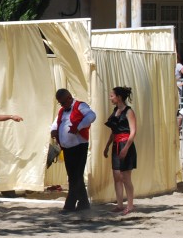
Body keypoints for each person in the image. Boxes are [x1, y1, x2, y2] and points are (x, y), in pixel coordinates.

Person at [51, 88, 97, 213]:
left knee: (75, 176)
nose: (62, 105)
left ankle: (69, 205)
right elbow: (55, 123)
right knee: (73, 175)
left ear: (69, 98)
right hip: (67, 148)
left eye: (63, 103)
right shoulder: (62, 111)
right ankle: (83, 203)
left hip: (79, 145)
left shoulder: (80, 106)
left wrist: (79, 126)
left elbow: (92, 116)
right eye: (60, 103)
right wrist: (53, 131)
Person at [103, 86, 137, 215]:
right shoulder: (115, 110)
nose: (110, 98)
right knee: (117, 176)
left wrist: (126, 148)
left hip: (125, 144)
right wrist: (107, 146)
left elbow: (133, 131)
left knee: (125, 177)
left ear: (119, 97)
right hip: (116, 144)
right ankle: (119, 204)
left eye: (112, 96)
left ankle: (130, 205)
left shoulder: (129, 111)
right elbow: (114, 131)